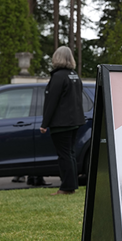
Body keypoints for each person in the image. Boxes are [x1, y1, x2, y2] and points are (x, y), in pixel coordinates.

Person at [40, 46, 85, 195]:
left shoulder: (58, 77)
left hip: (61, 123)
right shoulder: (74, 76)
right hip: (74, 122)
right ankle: (71, 185)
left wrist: (44, 124)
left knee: (64, 155)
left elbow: (52, 102)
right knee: (70, 154)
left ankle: (66, 187)